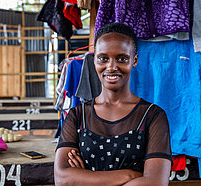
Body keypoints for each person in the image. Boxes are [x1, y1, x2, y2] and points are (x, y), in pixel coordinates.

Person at [54, 22, 172, 186]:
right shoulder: (77, 115)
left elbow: (155, 183)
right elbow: (62, 179)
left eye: (122, 59)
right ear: (94, 59)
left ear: (134, 60)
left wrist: (85, 178)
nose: (111, 67)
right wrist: (130, 175)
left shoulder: (153, 116)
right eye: (103, 58)